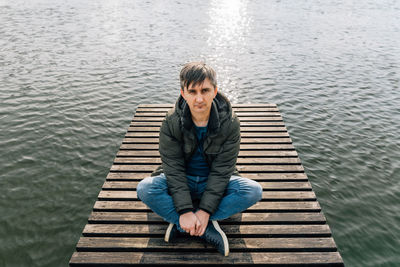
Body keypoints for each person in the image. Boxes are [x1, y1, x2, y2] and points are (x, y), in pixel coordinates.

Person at [137, 62, 262, 256]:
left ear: (215, 90)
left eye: (205, 90)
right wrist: (185, 210)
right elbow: (174, 169)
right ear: (183, 93)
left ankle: (190, 224)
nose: (199, 98)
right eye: (192, 91)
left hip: (213, 179)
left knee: (253, 191)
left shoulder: (230, 122)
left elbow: (222, 171)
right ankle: (193, 223)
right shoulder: (170, 122)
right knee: (145, 188)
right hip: (182, 179)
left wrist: (204, 211)